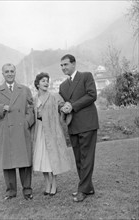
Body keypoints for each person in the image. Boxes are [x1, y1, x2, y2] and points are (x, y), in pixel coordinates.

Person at [0, 63, 35, 200]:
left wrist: (27, 122)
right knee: (8, 163)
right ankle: (11, 192)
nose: (9, 73)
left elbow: (31, 108)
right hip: (6, 132)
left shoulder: (25, 90)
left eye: (12, 71)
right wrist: (2, 107)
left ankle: (27, 190)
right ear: (2, 74)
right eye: (6, 71)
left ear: (15, 72)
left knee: (25, 163)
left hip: (21, 130)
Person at [59, 54, 99, 202]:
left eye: (66, 64)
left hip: (88, 123)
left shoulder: (86, 76)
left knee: (86, 157)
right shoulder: (62, 86)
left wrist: (73, 105)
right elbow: (61, 102)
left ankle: (82, 189)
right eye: (61, 65)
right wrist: (63, 106)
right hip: (73, 125)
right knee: (78, 159)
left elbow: (92, 95)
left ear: (74, 64)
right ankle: (87, 187)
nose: (63, 67)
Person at [32, 72, 71, 196]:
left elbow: (62, 106)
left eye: (47, 81)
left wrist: (65, 108)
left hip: (52, 131)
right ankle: (47, 184)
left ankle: (54, 184)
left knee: (52, 158)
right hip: (39, 131)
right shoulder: (34, 99)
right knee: (42, 158)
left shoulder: (54, 96)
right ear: (37, 84)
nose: (46, 83)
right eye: (43, 81)